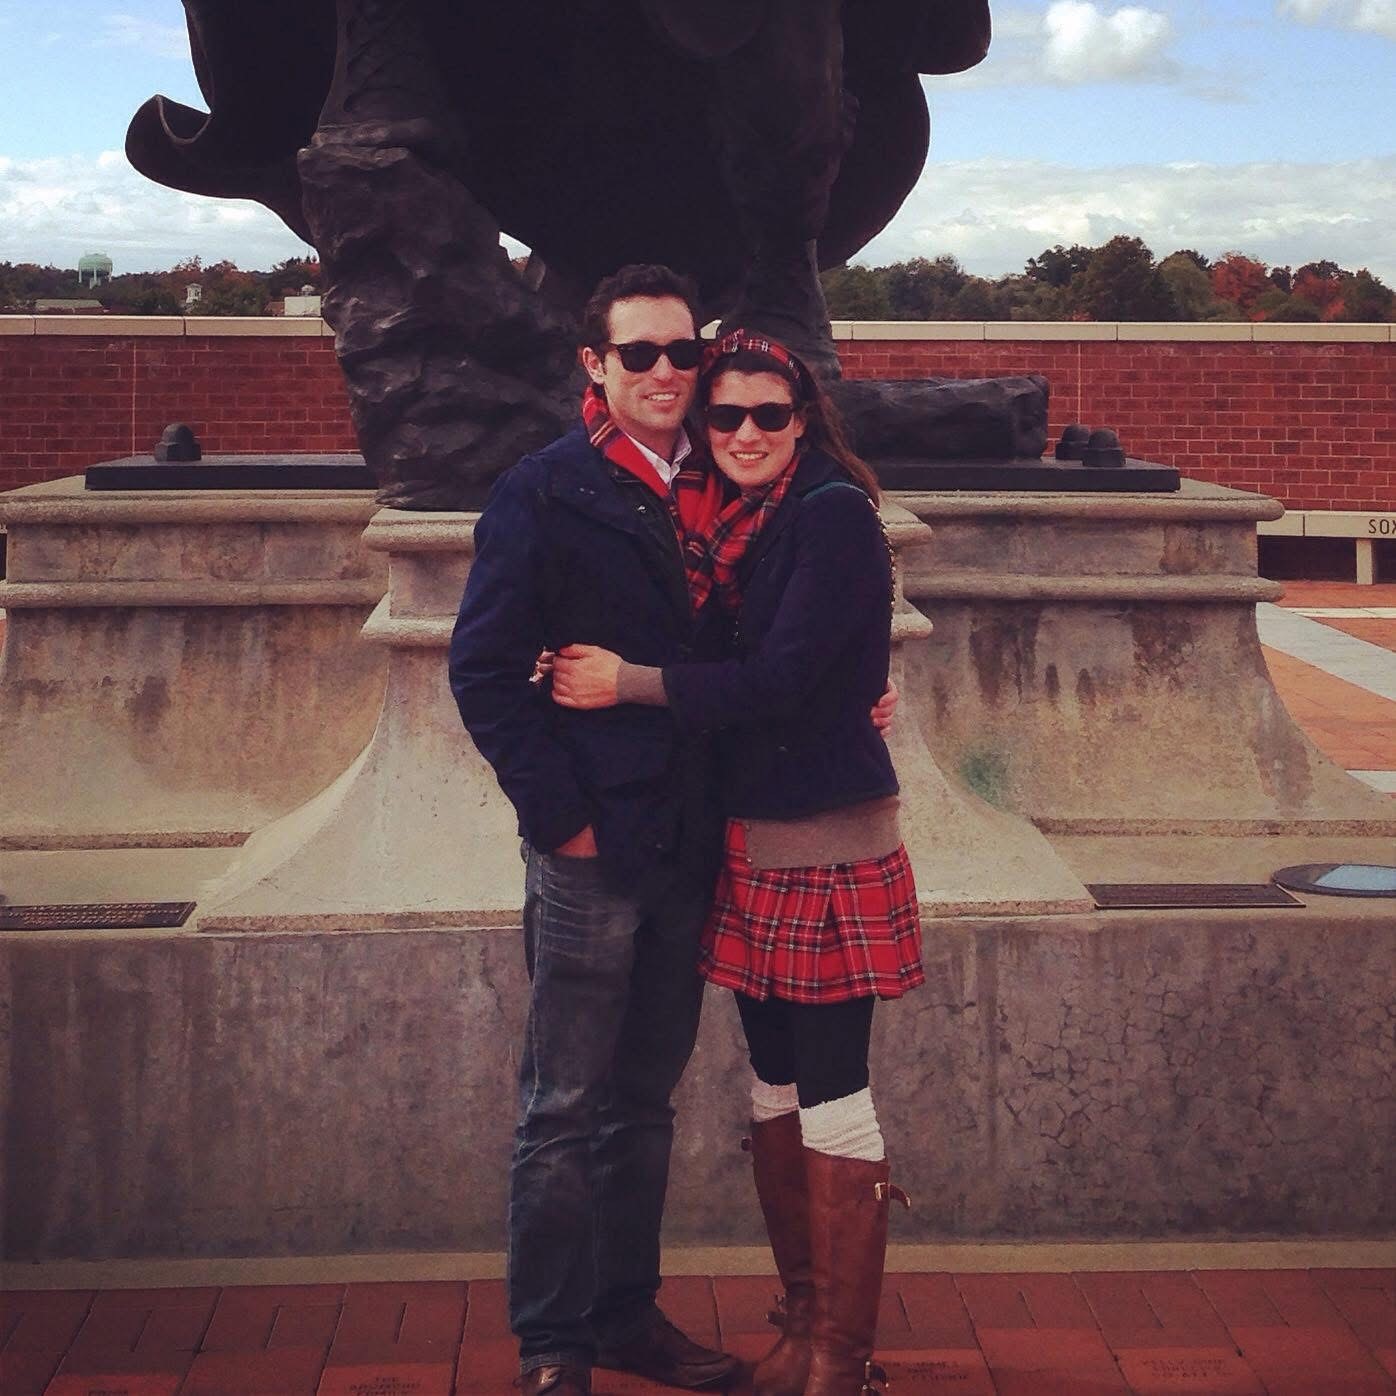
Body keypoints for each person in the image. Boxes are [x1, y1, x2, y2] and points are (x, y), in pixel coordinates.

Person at [550, 330, 924, 1396]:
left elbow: (780, 677)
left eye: (768, 415)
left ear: (803, 421)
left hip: (825, 838)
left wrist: (627, 682)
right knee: (772, 1080)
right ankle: (804, 1322)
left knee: (833, 1085)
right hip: (749, 837)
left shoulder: (829, 515)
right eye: (726, 417)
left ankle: (842, 1357)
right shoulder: (727, 526)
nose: (746, 433)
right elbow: (775, 664)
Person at [449, 264, 740, 1396]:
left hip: (688, 839)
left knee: (643, 1104)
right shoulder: (543, 490)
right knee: (562, 1104)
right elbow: (482, 670)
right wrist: (559, 819)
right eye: (641, 355)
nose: (666, 373)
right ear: (595, 366)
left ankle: (626, 1313)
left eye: (682, 353)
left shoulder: (730, 478)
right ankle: (554, 1344)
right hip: (591, 846)